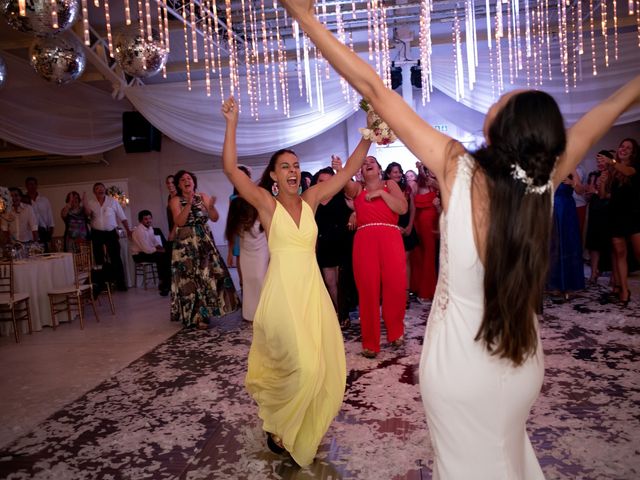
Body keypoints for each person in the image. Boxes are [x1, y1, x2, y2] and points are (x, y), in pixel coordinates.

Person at [277, 2, 640, 476]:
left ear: (502, 125)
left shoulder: (456, 166)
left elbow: (372, 87)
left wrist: (306, 19)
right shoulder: (544, 178)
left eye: (507, 96)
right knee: (508, 459)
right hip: (521, 361)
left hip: (458, 369)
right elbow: (609, 108)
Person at [222, 96, 371, 467]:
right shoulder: (265, 205)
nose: (292, 170)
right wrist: (232, 123)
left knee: (322, 367)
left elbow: (349, 167)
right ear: (273, 176)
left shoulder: (312, 200)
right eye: (284, 166)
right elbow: (230, 169)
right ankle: (278, 424)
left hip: (312, 294)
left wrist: (371, 130)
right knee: (303, 365)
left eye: (296, 165)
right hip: (283, 296)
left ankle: (293, 426)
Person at [339, 155, 408, 358]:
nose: (367, 164)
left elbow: (402, 208)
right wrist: (341, 170)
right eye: (363, 163)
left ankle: (396, 332)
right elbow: (345, 183)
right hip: (365, 241)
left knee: (395, 286)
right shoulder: (357, 188)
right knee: (367, 289)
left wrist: (381, 194)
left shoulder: (390, 184)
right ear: (360, 171)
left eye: (371, 162)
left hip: (390, 237)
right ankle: (370, 342)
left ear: (379, 169)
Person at [169, 170, 239, 328]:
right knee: (190, 279)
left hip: (204, 242)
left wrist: (212, 207)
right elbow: (179, 222)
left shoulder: (203, 196)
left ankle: (206, 314)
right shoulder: (175, 200)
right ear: (179, 185)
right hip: (185, 246)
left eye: (189, 178)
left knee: (207, 277)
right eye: (182, 179)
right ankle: (194, 316)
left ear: (193, 182)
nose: (186, 181)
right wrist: (188, 204)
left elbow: (214, 218)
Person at [224, 167, 269, 322]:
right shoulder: (235, 200)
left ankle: (266, 312)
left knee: (261, 278)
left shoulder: (258, 194)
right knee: (250, 280)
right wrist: (230, 252)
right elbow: (232, 228)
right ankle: (252, 313)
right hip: (245, 244)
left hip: (261, 242)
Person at [603, 138, 640, 306]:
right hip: (615, 216)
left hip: (634, 215)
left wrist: (611, 161)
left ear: (633, 152)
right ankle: (624, 290)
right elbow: (604, 195)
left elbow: (628, 172)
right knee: (620, 254)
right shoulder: (613, 170)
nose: (624, 149)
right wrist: (603, 181)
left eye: (628, 147)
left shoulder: (634, 167)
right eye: (622, 146)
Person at [84, 183, 132, 292]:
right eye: (97, 188)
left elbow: (122, 217)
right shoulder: (91, 203)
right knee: (99, 259)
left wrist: (128, 230)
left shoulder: (112, 201)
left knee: (116, 258)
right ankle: (101, 285)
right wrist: (84, 202)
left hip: (110, 233)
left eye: (101, 188)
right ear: (94, 192)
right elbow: (87, 216)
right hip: (96, 233)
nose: (100, 190)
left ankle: (120, 284)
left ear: (105, 189)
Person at [547, 171, 586, 298]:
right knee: (552, 246)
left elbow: (580, 191)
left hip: (566, 210)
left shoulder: (571, 168)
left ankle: (570, 285)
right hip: (550, 209)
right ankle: (553, 285)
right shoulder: (547, 166)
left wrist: (572, 183)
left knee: (568, 244)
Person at [384, 161, 418, 307]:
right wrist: (395, 226)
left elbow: (412, 208)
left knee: (406, 261)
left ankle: (406, 295)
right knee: (393, 263)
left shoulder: (407, 188)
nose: (397, 174)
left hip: (407, 226)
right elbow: (384, 211)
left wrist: (410, 226)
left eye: (399, 171)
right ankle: (394, 294)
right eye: (394, 172)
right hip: (391, 227)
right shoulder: (385, 189)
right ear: (388, 174)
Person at [410, 163, 440, 302]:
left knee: (432, 255)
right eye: (430, 169)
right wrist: (421, 169)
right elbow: (423, 177)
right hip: (423, 223)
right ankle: (426, 291)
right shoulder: (421, 184)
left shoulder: (440, 183)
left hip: (437, 221)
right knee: (426, 255)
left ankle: (430, 289)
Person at [584, 150, 614, 284]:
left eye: (602, 160)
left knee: (609, 243)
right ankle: (593, 273)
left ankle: (615, 275)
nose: (599, 163)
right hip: (595, 210)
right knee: (593, 243)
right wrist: (589, 194)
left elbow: (614, 195)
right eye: (597, 161)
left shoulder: (614, 175)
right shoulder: (593, 175)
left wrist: (596, 191)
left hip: (608, 211)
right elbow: (588, 196)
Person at [131, 210, 171, 296]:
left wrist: (162, 248)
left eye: (150, 218)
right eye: (146, 219)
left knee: (166, 255)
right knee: (161, 257)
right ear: (140, 220)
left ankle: (166, 281)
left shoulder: (150, 228)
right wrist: (160, 251)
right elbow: (146, 249)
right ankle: (162, 282)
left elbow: (154, 242)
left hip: (147, 252)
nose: (148, 221)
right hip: (139, 255)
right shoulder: (139, 231)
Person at [25, 177, 55, 252]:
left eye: (34, 184)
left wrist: (50, 233)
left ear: (37, 185)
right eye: (30, 184)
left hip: (43, 232)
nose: (32, 186)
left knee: (45, 254)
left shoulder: (44, 200)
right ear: (26, 186)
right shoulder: (24, 201)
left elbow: (50, 217)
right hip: (30, 233)